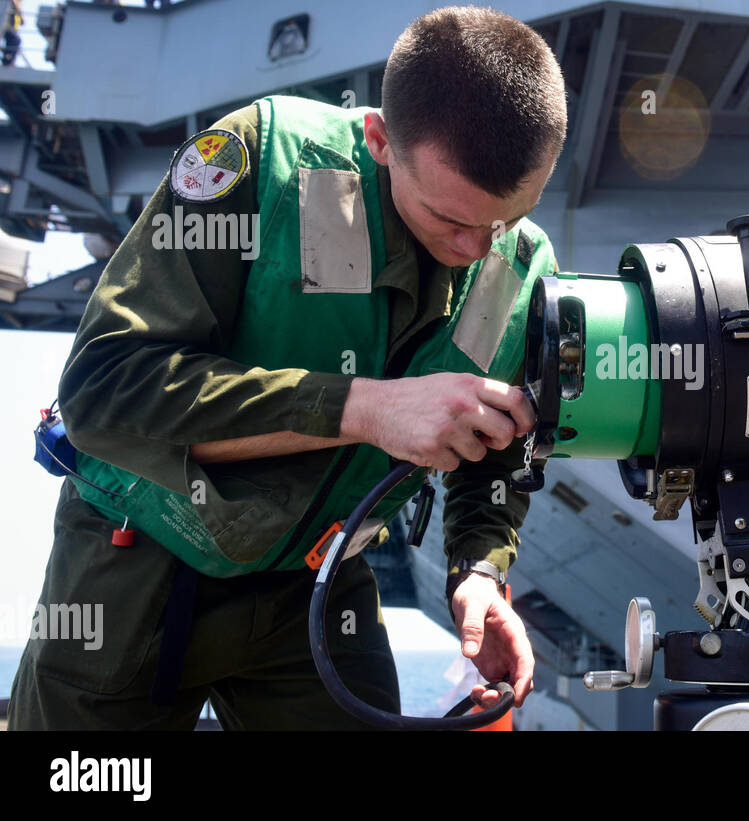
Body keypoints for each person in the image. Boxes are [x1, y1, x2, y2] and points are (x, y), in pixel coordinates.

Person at [7, 5, 566, 729]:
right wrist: (364, 408)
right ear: (379, 139)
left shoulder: (524, 267)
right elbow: (103, 391)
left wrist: (480, 570)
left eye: (505, 219)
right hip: (137, 558)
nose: (475, 245)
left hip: (315, 584)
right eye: (448, 218)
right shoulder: (257, 160)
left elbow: (498, 446)